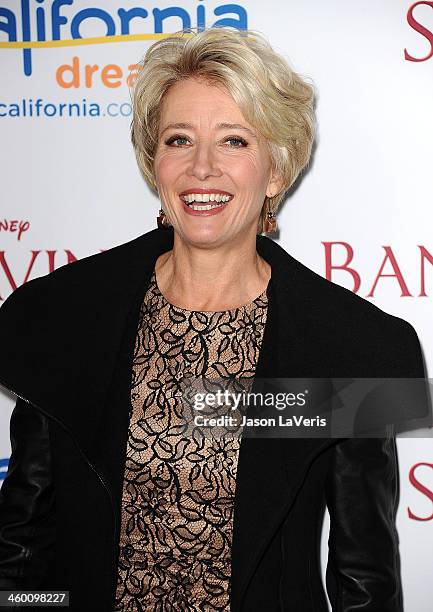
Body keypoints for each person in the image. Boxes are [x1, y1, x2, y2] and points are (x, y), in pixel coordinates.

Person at [0, 27, 428, 612]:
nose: (202, 168)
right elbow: (20, 551)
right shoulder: (65, 319)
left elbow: (364, 581)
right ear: (155, 164)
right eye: (179, 140)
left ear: (275, 172)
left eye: (233, 142)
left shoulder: (348, 347)